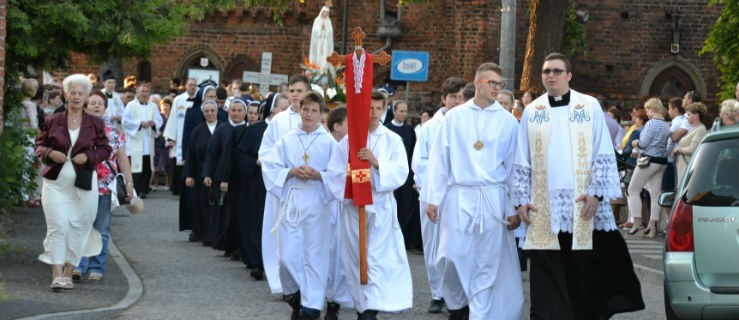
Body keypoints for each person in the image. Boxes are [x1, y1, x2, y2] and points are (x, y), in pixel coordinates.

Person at [514, 53, 644, 319]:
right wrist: (520, 200)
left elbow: (602, 152)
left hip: (583, 204)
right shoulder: (533, 110)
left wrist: (597, 193)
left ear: (569, 75)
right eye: (546, 71)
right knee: (547, 277)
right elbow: (521, 157)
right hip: (544, 206)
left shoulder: (589, 106)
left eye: (557, 71)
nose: (551, 75)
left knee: (582, 273)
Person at [425, 64, 523, 319]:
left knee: (486, 261)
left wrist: (512, 207)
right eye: (492, 83)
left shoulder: (508, 122)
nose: (497, 89)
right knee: (449, 257)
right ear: (478, 84)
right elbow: (439, 159)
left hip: (492, 197)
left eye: (500, 84)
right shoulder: (455, 117)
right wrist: (433, 198)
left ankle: (478, 313)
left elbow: (514, 167)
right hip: (459, 195)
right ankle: (457, 304)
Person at [325, 90, 413, 320]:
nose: (373, 113)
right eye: (369, 108)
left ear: (385, 110)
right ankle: (362, 305)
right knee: (356, 257)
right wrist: (352, 181)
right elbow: (334, 173)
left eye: (378, 108)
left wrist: (376, 163)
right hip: (355, 208)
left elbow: (401, 171)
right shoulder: (349, 140)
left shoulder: (393, 140)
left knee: (375, 258)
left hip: (381, 206)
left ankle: (370, 308)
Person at [262, 92, 338, 320]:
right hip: (293, 200)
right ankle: (294, 293)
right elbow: (270, 166)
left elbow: (338, 175)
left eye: (314, 111)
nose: (309, 114)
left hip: (317, 201)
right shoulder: (287, 139)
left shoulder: (329, 142)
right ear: (300, 110)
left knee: (315, 255)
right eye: (306, 109)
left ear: (321, 114)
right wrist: (291, 171)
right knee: (286, 256)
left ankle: (311, 305)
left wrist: (319, 175)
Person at [35, 74, 112, 291]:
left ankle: (69, 272)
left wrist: (89, 157)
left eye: (81, 93)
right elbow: (38, 146)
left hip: (84, 184)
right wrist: (50, 152)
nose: (77, 97)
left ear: (87, 96)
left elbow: (106, 149)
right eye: (73, 93)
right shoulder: (52, 121)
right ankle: (56, 274)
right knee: (58, 225)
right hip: (56, 184)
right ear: (66, 95)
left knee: (79, 227)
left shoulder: (95, 124)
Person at [411, 76, 466, 314]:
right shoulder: (429, 128)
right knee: (433, 245)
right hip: (433, 193)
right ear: (444, 99)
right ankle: (437, 293)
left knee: (455, 246)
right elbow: (420, 161)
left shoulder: (467, 123)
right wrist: (428, 189)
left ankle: (457, 292)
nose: (456, 101)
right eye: (452, 97)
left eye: (460, 96)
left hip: (459, 192)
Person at [74, 90, 134, 282]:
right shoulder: (76, 130)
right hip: (81, 184)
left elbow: (123, 160)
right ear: (85, 106)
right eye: (92, 103)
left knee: (101, 229)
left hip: (105, 187)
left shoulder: (114, 133)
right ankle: (78, 265)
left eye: (100, 103)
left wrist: (129, 183)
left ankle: (96, 267)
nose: (96, 106)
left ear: (105, 107)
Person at [259, 75, 310, 294]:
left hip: (308, 186)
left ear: (308, 93)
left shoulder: (314, 120)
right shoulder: (278, 121)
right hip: (283, 185)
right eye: (291, 91)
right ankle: (280, 283)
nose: (295, 95)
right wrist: (285, 173)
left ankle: (307, 281)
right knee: (279, 236)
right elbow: (265, 153)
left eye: (299, 91)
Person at [218, 101, 269, 281]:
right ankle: (253, 258)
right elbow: (233, 156)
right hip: (250, 181)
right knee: (251, 220)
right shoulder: (248, 131)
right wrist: (224, 178)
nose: (253, 116)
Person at [203, 99, 247, 251]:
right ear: (228, 112)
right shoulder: (222, 129)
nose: (236, 113)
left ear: (245, 113)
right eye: (233, 110)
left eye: (239, 110)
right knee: (222, 213)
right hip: (221, 177)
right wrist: (208, 174)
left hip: (241, 179)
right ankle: (222, 242)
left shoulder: (249, 129)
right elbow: (212, 153)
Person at [323, 107, 352, 319]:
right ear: (337, 126)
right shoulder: (329, 145)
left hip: (344, 206)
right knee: (330, 255)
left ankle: (339, 297)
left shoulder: (350, 145)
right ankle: (330, 299)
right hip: (327, 207)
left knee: (343, 255)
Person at [184, 100, 221, 246]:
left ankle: (216, 233)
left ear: (217, 111)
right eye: (206, 111)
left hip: (219, 172)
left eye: (212, 110)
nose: (210, 113)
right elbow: (191, 154)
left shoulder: (222, 128)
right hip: (201, 172)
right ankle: (206, 233)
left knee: (218, 204)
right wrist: (189, 175)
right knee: (204, 204)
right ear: (203, 113)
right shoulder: (197, 130)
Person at [384, 100, 417, 249]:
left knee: (403, 208)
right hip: (390, 176)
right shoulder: (386, 129)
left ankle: (401, 239)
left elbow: (412, 154)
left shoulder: (410, 130)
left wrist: (412, 176)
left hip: (406, 178)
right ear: (394, 111)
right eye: (401, 111)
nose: (403, 114)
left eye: (405, 111)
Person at [122, 83, 164, 199]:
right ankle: (135, 189)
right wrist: (139, 123)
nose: (144, 94)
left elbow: (159, 120)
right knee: (136, 167)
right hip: (135, 140)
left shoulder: (153, 106)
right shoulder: (131, 105)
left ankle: (144, 189)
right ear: (138, 93)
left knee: (146, 167)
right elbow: (125, 122)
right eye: (142, 91)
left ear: (149, 93)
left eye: (146, 91)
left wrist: (153, 123)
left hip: (148, 141)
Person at [162, 78, 198, 196]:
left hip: (194, 133)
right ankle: (177, 188)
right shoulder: (178, 99)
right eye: (190, 85)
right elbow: (172, 118)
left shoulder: (200, 99)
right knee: (179, 161)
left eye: (194, 85)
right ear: (186, 86)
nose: (192, 87)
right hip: (180, 133)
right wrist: (171, 136)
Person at [673, 102, 708, 184]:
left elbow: (693, 149)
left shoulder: (700, 129)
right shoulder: (692, 128)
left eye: (689, 115)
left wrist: (679, 150)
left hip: (689, 166)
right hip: (683, 165)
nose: (686, 117)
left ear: (696, 116)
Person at [151, 98, 172, 191]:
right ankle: (155, 184)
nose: (165, 107)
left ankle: (168, 184)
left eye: (167, 105)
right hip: (158, 143)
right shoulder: (159, 117)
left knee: (169, 165)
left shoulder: (172, 117)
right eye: (163, 105)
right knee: (156, 164)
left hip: (169, 144)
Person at [310, 6, 333, 73]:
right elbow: (314, 31)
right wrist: (320, 29)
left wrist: (325, 30)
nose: (325, 14)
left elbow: (330, 33)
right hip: (319, 42)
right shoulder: (317, 20)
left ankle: (324, 72)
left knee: (325, 57)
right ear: (322, 12)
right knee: (318, 56)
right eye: (324, 12)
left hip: (325, 42)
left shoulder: (329, 21)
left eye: (327, 13)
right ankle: (317, 70)